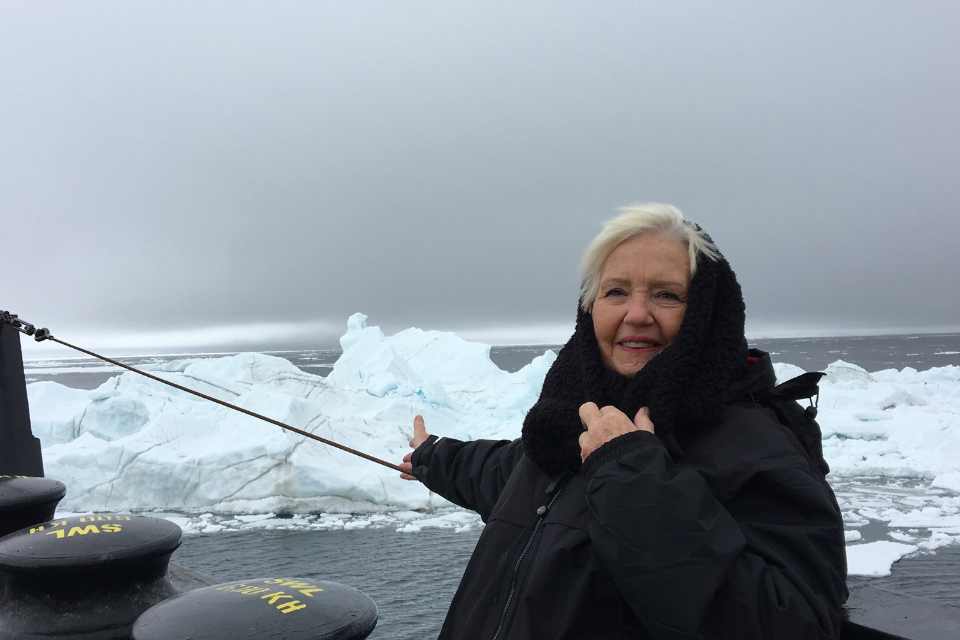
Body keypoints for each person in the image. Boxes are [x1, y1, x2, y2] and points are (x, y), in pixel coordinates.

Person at [398, 203, 847, 640]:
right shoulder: (569, 423)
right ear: (590, 308)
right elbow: (506, 473)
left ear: (707, 313)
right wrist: (432, 456)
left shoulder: (755, 448)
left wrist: (631, 477)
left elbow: (794, 621)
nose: (636, 315)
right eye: (615, 292)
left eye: (666, 294)